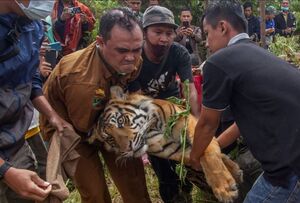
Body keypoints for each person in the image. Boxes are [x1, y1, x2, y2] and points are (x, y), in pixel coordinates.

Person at [190, 0, 300, 203]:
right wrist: (214, 147)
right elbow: (244, 122)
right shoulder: (261, 54)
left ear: (222, 27)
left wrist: (194, 158)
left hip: (289, 169)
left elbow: (207, 123)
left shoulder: (219, 62)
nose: (206, 42)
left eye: (207, 33)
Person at [41, 7, 151, 203]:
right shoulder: (81, 80)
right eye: (123, 50)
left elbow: (131, 82)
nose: (131, 58)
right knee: (94, 193)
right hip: (71, 126)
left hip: (103, 114)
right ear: (100, 42)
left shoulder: (131, 57)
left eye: (137, 49)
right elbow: (85, 126)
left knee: (133, 182)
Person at [128, 6, 200, 203]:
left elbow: (189, 89)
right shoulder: (135, 58)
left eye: (169, 33)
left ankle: (185, 192)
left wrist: (198, 121)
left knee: (184, 161)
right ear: (144, 32)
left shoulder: (179, 53)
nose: (164, 39)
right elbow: (138, 99)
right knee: (164, 168)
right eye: (157, 32)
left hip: (172, 106)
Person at [0, 0, 70, 202]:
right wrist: (5, 170)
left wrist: (53, 116)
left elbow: (31, 80)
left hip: (15, 144)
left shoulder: (33, 27)